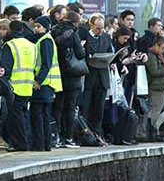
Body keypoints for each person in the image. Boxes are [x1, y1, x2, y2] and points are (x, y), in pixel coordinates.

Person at [51, 12, 85, 148]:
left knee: (57, 106)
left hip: (57, 74)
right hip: (72, 75)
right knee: (70, 107)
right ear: (75, 23)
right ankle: (68, 137)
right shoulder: (73, 33)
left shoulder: (54, 31)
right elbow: (80, 53)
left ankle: (56, 136)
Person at [1, 20, 37, 151]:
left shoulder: (10, 45)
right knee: (23, 115)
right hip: (28, 84)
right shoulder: (31, 45)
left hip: (14, 86)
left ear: (11, 30)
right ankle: (25, 141)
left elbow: (6, 67)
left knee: (15, 118)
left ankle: (19, 144)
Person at [29, 16, 61, 151]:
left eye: (39, 26)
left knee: (38, 115)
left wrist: (38, 80)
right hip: (48, 84)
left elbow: (45, 64)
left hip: (44, 84)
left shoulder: (45, 41)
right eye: (35, 26)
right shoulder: (46, 40)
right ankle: (45, 144)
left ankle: (40, 144)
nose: (36, 29)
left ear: (46, 27)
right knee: (44, 115)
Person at [81, 15, 113, 134]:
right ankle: (85, 134)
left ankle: (97, 134)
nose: (101, 31)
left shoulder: (106, 37)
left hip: (102, 75)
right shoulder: (85, 36)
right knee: (86, 108)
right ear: (91, 25)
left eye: (102, 28)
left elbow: (110, 52)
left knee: (99, 109)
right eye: (98, 28)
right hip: (89, 75)